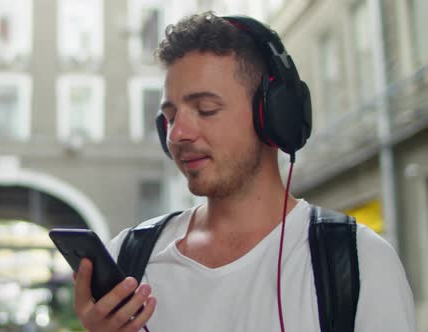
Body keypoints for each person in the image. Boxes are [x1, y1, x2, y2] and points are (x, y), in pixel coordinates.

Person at [73, 12, 416, 331]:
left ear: (273, 115)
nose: (177, 134)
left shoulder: (358, 262)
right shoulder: (127, 261)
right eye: (171, 116)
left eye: (206, 109)